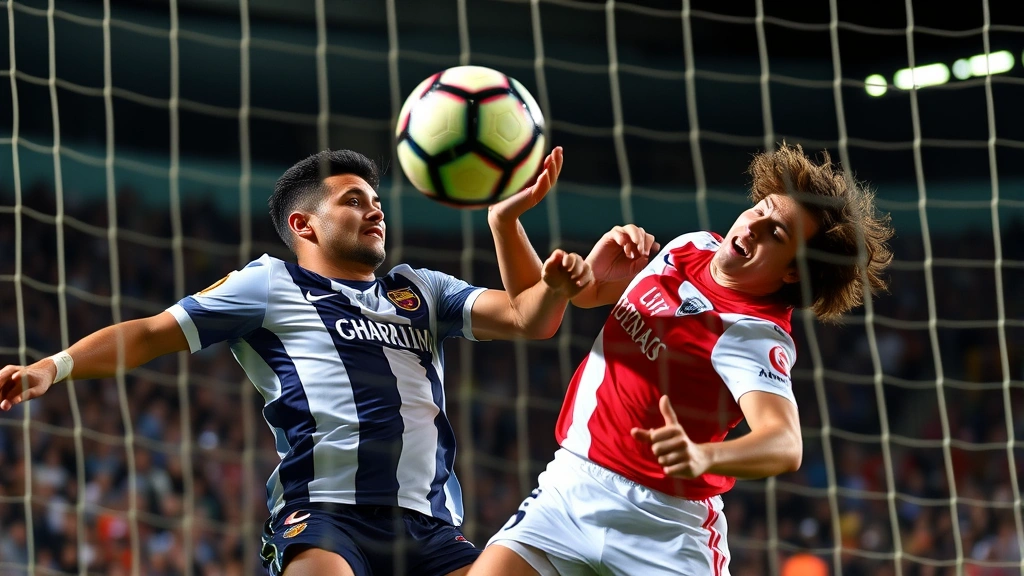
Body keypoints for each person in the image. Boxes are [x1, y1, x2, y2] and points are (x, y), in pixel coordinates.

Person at [0, 146, 591, 576]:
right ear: (303, 224)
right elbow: (151, 333)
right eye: (353, 201)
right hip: (327, 517)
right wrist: (54, 366)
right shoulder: (269, 284)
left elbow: (529, 318)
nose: (375, 212)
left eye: (377, 202)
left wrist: (507, 225)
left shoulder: (421, 290)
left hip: (430, 525)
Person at [470, 142, 895, 575]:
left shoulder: (753, 332)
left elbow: (785, 444)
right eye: (760, 211)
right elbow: (571, 299)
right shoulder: (690, 246)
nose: (754, 227)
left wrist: (704, 456)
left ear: (792, 272)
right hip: (571, 488)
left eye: (777, 234)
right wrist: (582, 270)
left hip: (664, 529)